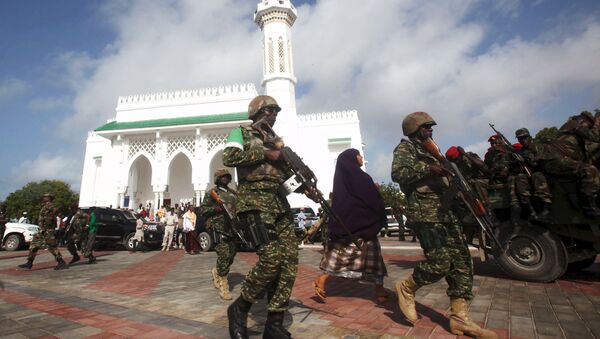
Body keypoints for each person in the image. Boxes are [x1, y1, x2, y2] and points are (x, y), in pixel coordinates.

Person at [392, 112, 496, 338]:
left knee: (462, 263)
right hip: (426, 215)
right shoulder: (406, 149)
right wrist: (429, 169)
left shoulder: (436, 152)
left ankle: (460, 319)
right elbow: (398, 174)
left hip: (447, 214)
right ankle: (407, 288)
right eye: (427, 127)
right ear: (415, 129)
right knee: (440, 263)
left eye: (431, 127)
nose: (431, 130)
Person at [223, 95, 318, 339]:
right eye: (269, 110)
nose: (273, 115)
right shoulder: (241, 134)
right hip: (254, 203)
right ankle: (239, 308)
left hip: (279, 204)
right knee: (271, 259)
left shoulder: (277, 143)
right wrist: (264, 155)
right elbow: (229, 158)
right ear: (256, 113)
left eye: (276, 111)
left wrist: (306, 189)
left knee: (288, 261)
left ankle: (274, 323)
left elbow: (287, 181)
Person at [313, 148, 393, 305]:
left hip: (355, 227)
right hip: (361, 227)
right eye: (359, 155)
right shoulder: (360, 177)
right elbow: (370, 198)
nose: (361, 157)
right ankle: (321, 279)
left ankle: (380, 290)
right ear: (352, 158)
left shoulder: (342, 181)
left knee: (372, 259)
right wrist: (376, 191)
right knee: (343, 258)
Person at [543, 111, 600, 217]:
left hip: (565, 160)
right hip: (554, 160)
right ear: (583, 120)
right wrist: (597, 124)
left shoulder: (577, 136)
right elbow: (595, 137)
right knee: (589, 170)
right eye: (589, 125)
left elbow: (589, 152)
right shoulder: (573, 124)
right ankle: (588, 208)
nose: (590, 127)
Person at [201, 168, 238, 301]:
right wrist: (216, 208)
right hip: (219, 227)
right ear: (217, 179)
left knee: (232, 254)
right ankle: (223, 284)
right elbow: (204, 210)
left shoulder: (233, 193)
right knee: (224, 254)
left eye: (227, 176)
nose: (225, 178)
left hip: (232, 228)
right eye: (222, 177)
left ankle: (217, 270)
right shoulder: (212, 193)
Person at [18, 193, 68, 270]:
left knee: (52, 247)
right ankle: (29, 263)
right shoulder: (45, 206)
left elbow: (56, 210)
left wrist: (51, 219)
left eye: (45, 197)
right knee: (34, 245)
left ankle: (61, 262)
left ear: (49, 198)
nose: (44, 198)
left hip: (48, 230)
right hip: (42, 230)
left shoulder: (50, 205)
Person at [515, 128, 552, 217]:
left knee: (537, 175)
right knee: (520, 177)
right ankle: (529, 207)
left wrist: (527, 158)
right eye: (520, 139)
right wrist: (518, 163)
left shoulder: (538, 146)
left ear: (529, 137)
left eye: (525, 137)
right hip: (529, 174)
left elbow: (538, 162)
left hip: (542, 172)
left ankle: (545, 205)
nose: (523, 140)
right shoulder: (520, 151)